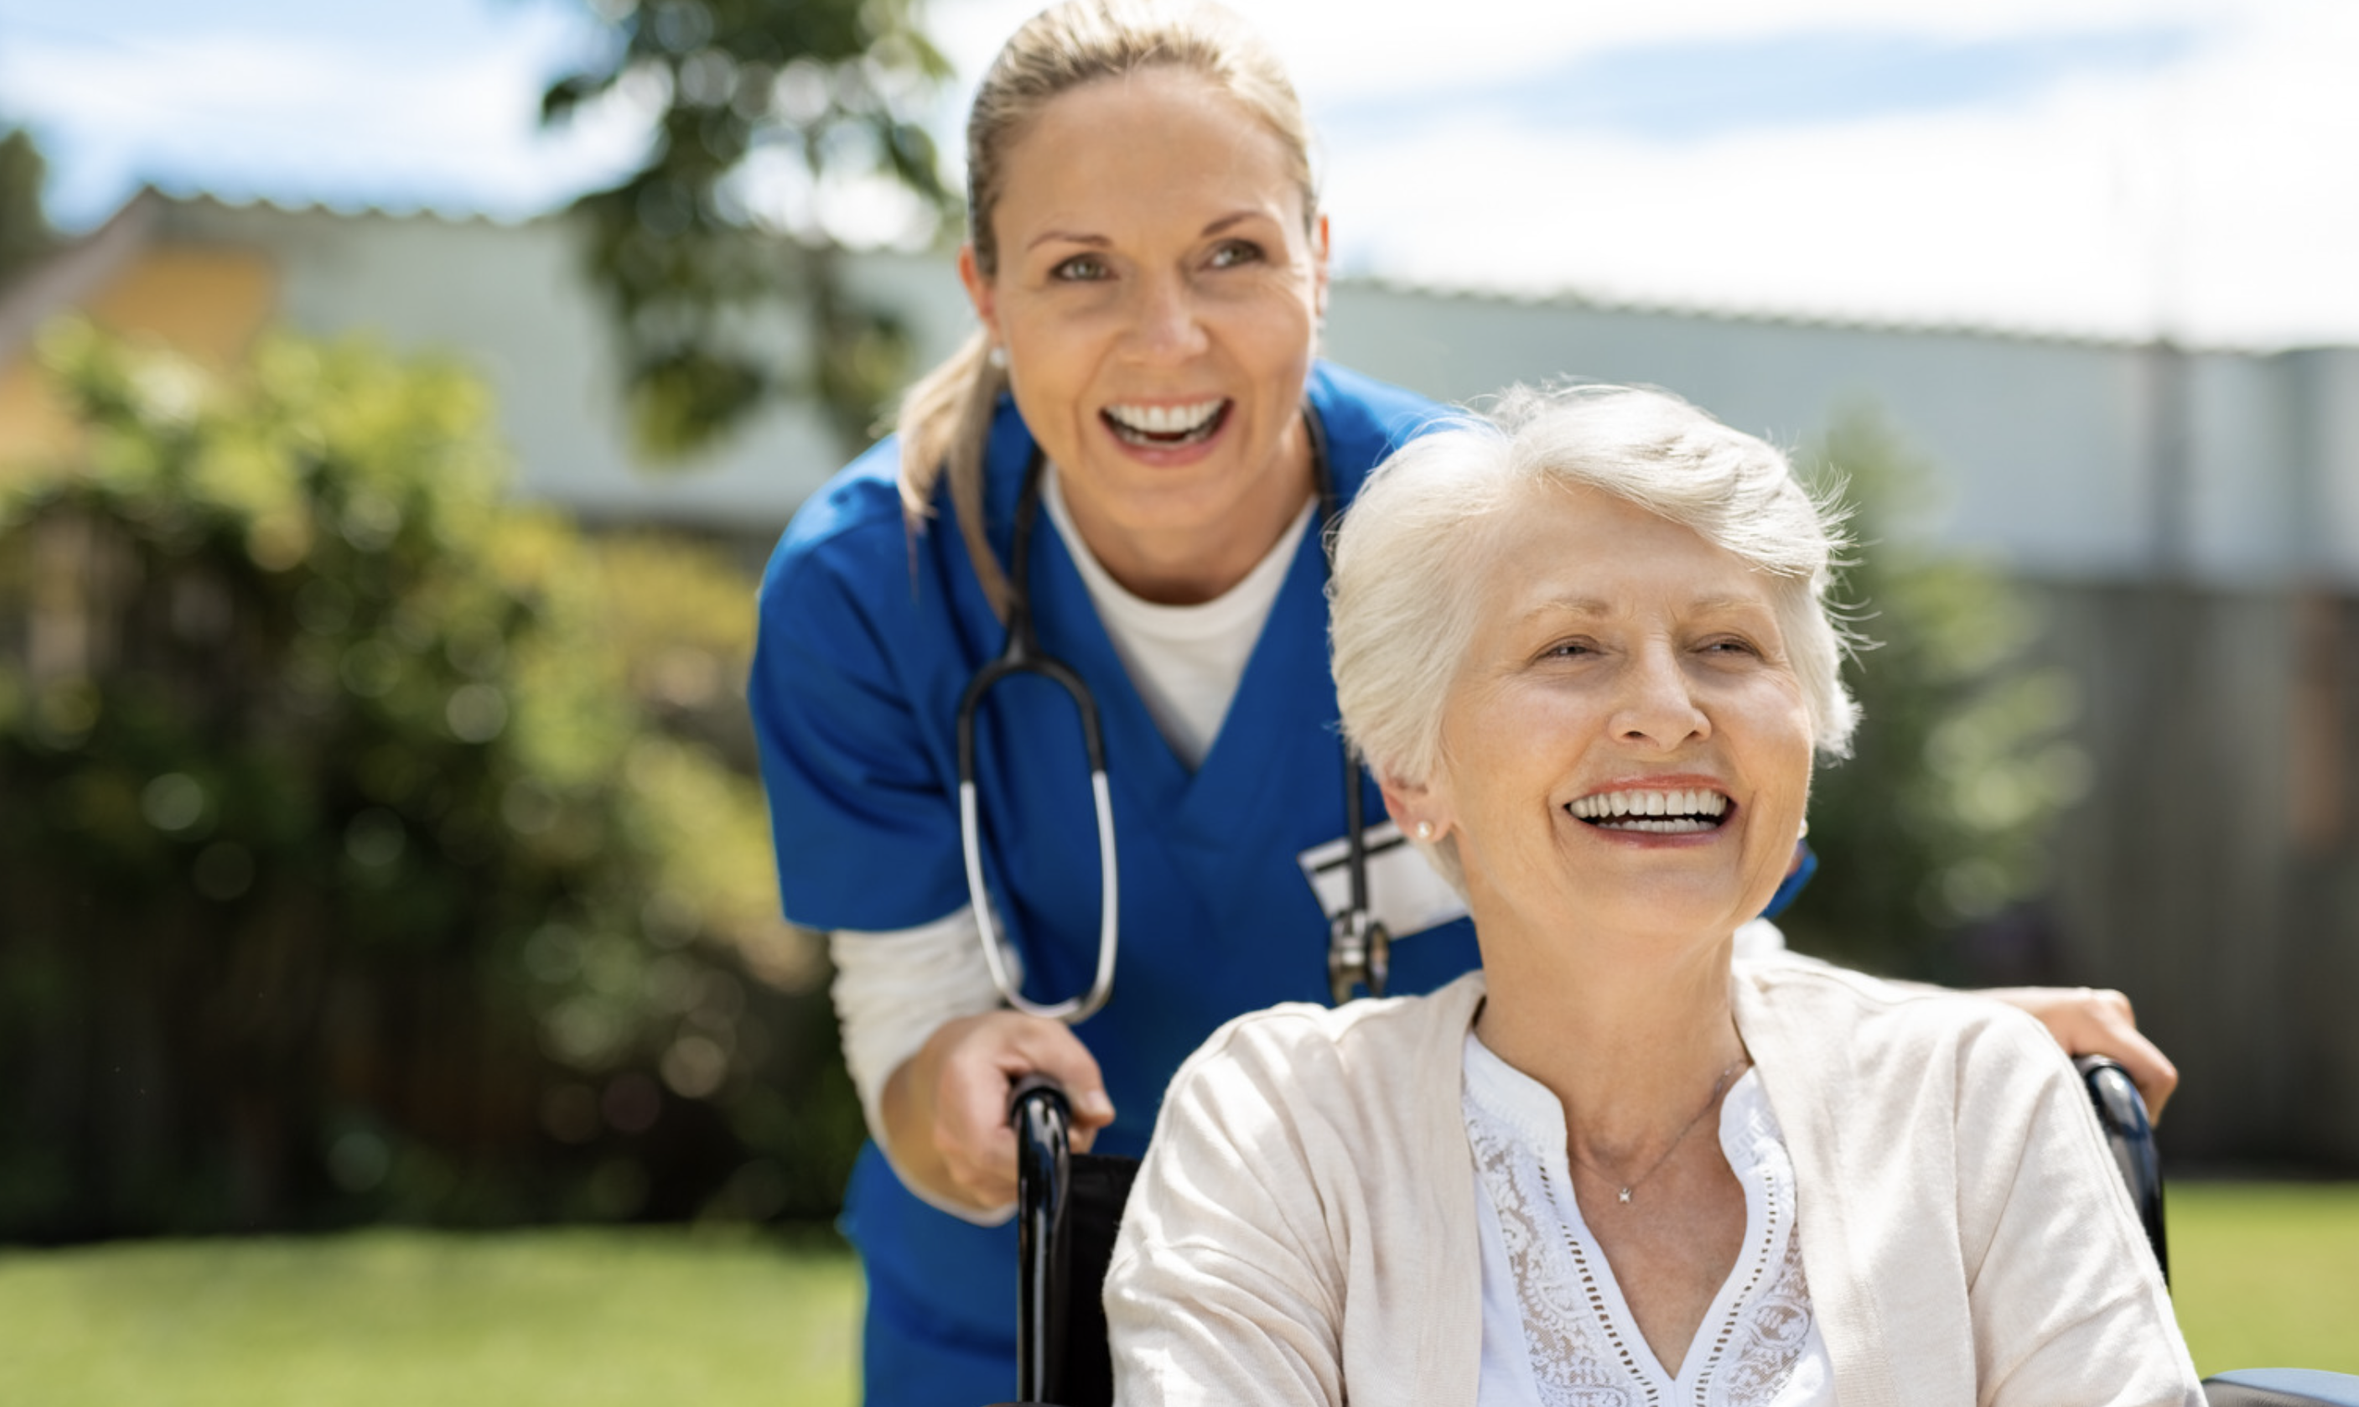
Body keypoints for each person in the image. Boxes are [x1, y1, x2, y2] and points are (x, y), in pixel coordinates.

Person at [745, 4, 2177, 1402]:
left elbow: (1669, 862)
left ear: (1316, 259)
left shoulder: (1489, 542)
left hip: (1452, 1278)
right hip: (1011, 1298)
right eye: (1081, 270)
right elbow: (912, 994)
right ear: (985, 293)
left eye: (1229, 253)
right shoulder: (872, 585)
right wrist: (951, 1085)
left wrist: (1924, 1069)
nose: (1166, 335)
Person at [1102, 385, 2202, 1405]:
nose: (1669, 710)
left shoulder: (1971, 1100)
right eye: (1572, 648)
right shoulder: (1277, 1126)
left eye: (1727, 645)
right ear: (1412, 771)